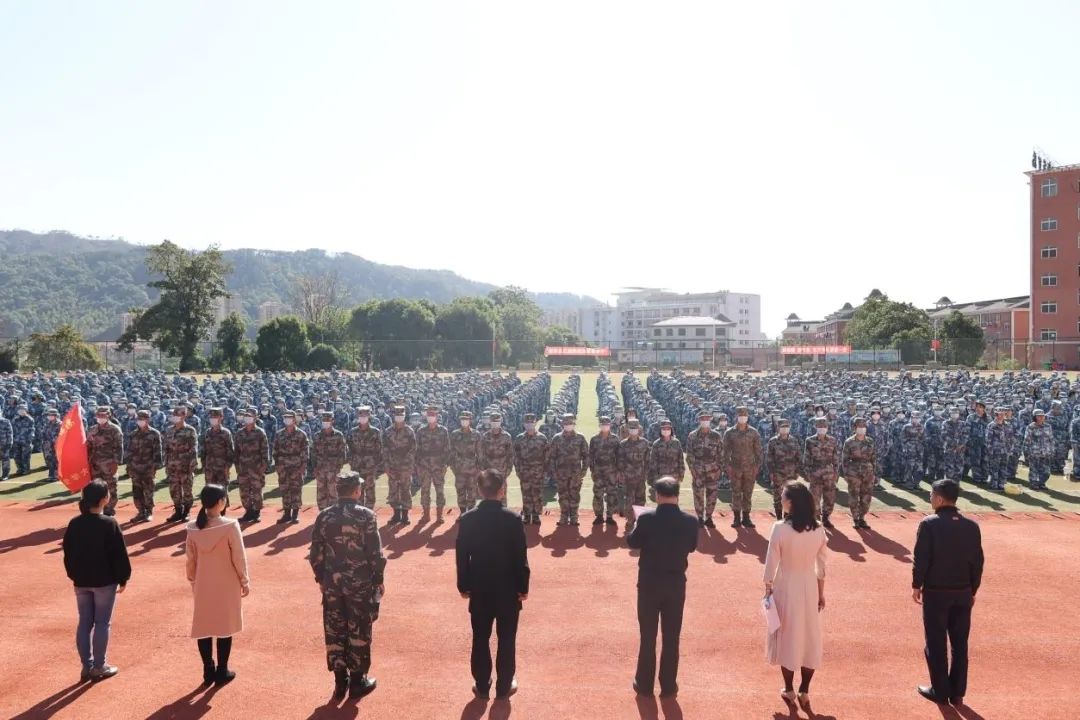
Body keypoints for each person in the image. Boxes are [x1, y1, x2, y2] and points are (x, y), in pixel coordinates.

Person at [309, 471, 385, 700]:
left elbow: (315, 554)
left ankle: (340, 683)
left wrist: (321, 579)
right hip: (359, 585)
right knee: (359, 628)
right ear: (356, 491)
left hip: (332, 584)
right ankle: (358, 681)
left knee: (335, 629)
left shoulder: (325, 516)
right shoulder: (366, 516)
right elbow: (375, 554)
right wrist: (379, 580)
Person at [456, 468, 530, 699]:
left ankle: (482, 683)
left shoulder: (467, 519)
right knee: (507, 637)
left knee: (480, 637)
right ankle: (504, 685)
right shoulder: (513, 518)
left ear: (479, 490)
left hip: (480, 588)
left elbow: (461, 556)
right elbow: (521, 556)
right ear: (502, 490)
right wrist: (523, 587)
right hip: (508, 589)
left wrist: (463, 585)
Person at [913, 479, 984, 707]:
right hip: (963, 592)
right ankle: (958, 692)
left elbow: (921, 559)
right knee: (960, 643)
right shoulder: (972, 526)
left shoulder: (929, 524)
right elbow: (978, 562)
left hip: (936, 592)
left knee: (936, 642)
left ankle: (940, 691)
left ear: (940, 499)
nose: (930, 499)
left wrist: (916, 584)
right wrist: (973, 589)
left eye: (932, 495)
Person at [628, 475, 697, 698]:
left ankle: (644, 683)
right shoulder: (690, 521)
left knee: (647, 635)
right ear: (677, 494)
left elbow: (632, 542)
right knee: (672, 636)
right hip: (676, 583)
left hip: (649, 583)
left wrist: (638, 523)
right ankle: (668, 685)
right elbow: (692, 547)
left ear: (657, 495)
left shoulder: (647, 518)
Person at [763, 481, 827, 716]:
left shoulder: (779, 528)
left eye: (783, 496)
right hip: (809, 586)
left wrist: (767, 588)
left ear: (790, 502)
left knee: (787, 635)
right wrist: (821, 593)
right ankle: (805, 690)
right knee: (810, 635)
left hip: (786, 586)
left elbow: (771, 562)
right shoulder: (819, 529)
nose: (781, 499)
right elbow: (822, 565)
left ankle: (789, 690)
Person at [63, 480, 131, 683]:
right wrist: (123, 578)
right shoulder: (109, 523)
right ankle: (99, 666)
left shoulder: (75, 523)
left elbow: (68, 553)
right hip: (104, 582)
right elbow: (120, 555)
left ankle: (87, 666)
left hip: (81, 581)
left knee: (85, 621)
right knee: (102, 622)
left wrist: (74, 575)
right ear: (103, 500)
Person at [186, 484, 250, 686]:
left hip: (203, 582)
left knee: (203, 627)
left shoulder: (193, 528)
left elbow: (190, 560)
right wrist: (244, 580)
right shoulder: (230, 526)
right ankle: (222, 669)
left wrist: (193, 580)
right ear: (221, 502)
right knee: (225, 626)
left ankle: (208, 669)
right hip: (227, 582)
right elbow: (238, 557)